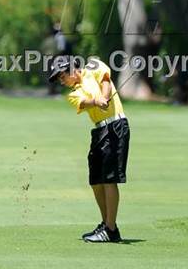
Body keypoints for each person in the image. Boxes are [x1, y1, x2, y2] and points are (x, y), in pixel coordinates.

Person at [48, 55, 130, 243]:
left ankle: (110, 229)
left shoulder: (93, 65)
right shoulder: (73, 93)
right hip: (99, 130)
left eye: (62, 76)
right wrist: (96, 101)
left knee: (109, 179)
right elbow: (83, 103)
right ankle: (107, 224)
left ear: (70, 69)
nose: (62, 81)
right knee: (96, 180)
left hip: (115, 126)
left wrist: (105, 97)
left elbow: (106, 80)